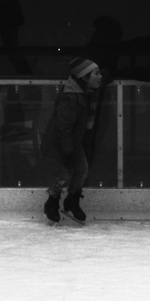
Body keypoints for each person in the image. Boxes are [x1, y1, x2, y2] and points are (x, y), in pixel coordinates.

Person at [42, 57, 103, 225]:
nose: (100, 77)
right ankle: (52, 203)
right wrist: (68, 151)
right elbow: (64, 128)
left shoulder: (85, 93)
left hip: (73, 142)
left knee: (82, 170)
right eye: (96, 74)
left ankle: (72, 201)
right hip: (59, 143)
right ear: (84, 78)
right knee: (63, 174)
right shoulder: (70, 99)